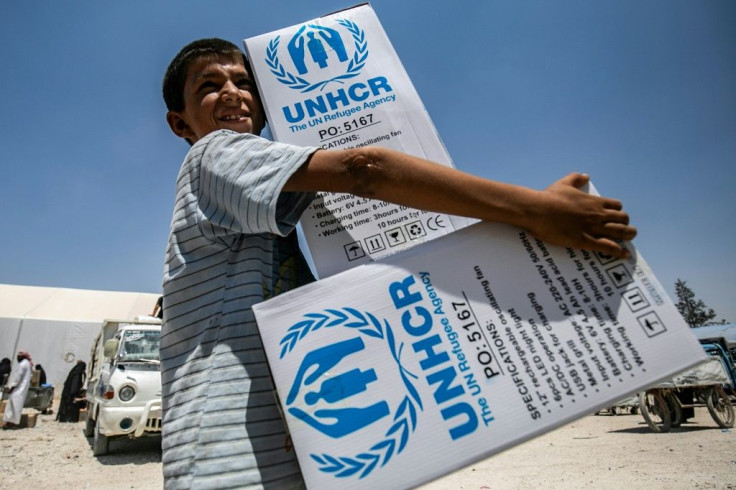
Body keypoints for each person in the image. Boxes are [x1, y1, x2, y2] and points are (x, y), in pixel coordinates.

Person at [160, 38, 636, 488]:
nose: (233, 93)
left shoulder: (249, 195)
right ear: (180, 124)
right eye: (209, 85)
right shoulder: (213, 154)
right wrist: (534, 210)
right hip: (225, 462)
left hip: (277, 457)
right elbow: (363, 171)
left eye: (244, 83)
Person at [2, 351, 33, 429]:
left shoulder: (22, 364)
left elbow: (17, 378)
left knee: (15, 405)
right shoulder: (28, 364)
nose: (17, 358)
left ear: (22, 357)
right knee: (12, 405)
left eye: (18, 357)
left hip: (18, 388)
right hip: (21, 388)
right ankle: (9, 422)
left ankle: (14, 423)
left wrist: (12, 388)